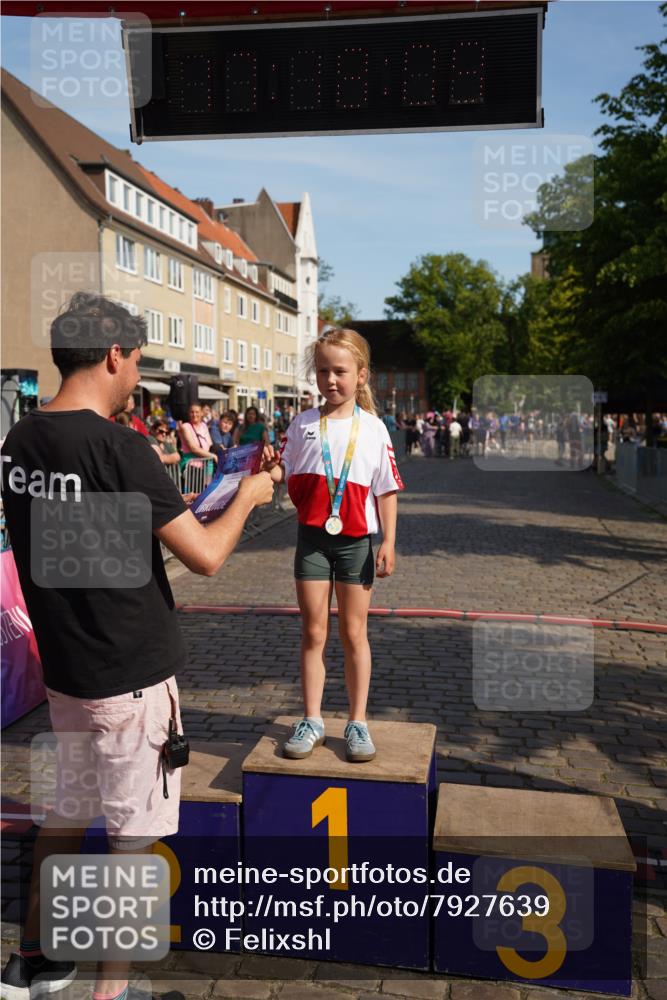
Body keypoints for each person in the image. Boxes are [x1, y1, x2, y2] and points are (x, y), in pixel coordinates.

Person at [0, 293, 274, 1000]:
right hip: (129, 673)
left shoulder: (22, 441)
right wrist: (247, 494)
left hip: (66, 670)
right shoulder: (118, 446)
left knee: (64, 814)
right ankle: (111, 990)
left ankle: (34, 958)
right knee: (131, 838)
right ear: (115, 355)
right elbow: (207, 556)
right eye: (137, 364)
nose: (138, 381)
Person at [265, 327, 403, 764]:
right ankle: (312, 719)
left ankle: (358, 722)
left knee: (353, 632)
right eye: (323, 370)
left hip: (356, 543)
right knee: (313, 632)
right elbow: (281, 472)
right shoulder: (303, 423)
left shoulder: (374, 429)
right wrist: (267, 469)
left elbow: (387, 490)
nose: (331, 380)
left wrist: (389, 541)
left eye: (340, 371)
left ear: (361, 375)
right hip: (311, 541)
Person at [176, 402, 217, 472]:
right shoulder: (185, 426)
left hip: (206, 463)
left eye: (197, 412)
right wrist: (213, 456)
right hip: (191, 464)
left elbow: (210, 445)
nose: (194, 415)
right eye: (192, 412)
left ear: (201, 413)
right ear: (189, 414)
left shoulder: (204, 426)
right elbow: (193, 449)